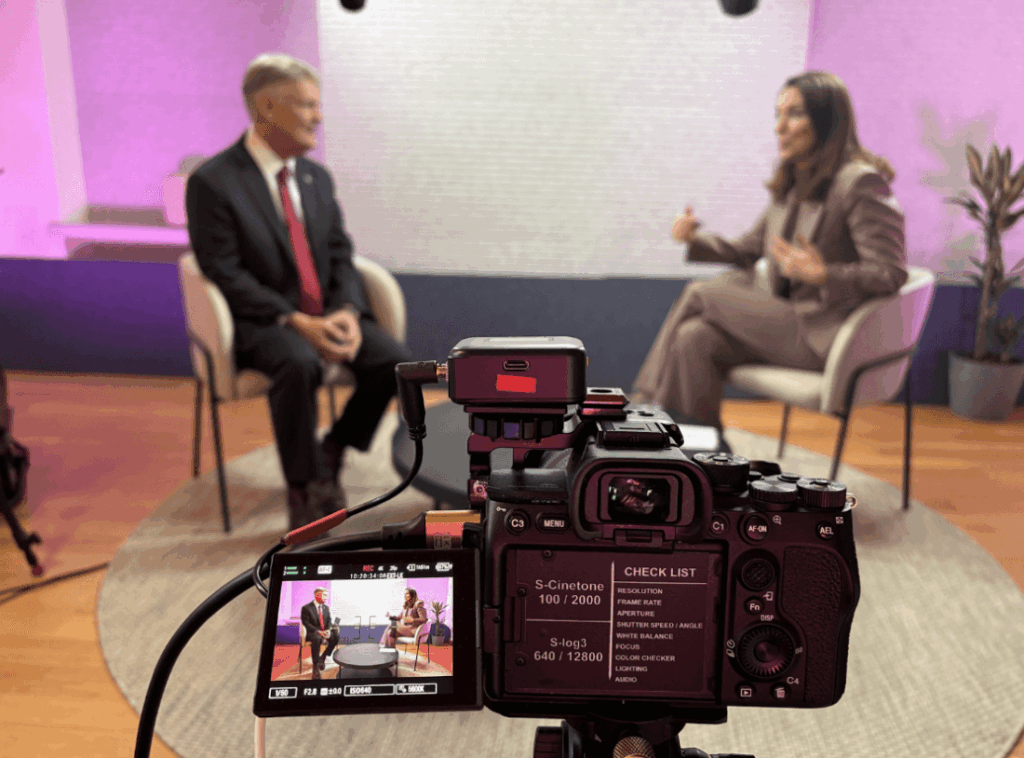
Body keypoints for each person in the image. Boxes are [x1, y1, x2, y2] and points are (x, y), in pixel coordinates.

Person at [185, 53, 411, 530]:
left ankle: (334, 449)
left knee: (393, 362)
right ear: (267, 108)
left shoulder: (315, 177)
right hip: (261, 320)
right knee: (299, 362)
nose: (318, 117)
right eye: (308, 105)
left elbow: (340, 252)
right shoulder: (213, 182)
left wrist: (347, 309)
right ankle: (304, 485)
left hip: (326, 312)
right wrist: (295, 320)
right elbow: (224, 272)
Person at [632, 71, 908, 433]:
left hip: (825, 336)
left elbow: (890, 272)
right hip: (785, 323)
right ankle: (699, 447)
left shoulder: (859, 182)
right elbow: (749, 249)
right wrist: (694, 238)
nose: (780, 127)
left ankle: (642, 404)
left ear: (826, 121)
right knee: (693, 338)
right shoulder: (794, 180)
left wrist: (825, 275)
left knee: (699, 293)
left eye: (794, 114)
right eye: (778, 115)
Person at [300, 587, 339, 679]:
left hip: (324, 631)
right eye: (324, 595)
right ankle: (315, 667)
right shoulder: (306, 608)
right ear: (317, 595)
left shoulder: (326, 608)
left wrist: (328, 630)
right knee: (317, 638)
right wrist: (318, 631)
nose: (326, 598)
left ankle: (323, 657)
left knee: (336, 635)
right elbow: (306, 623)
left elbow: (329, 621)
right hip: (313, 632)